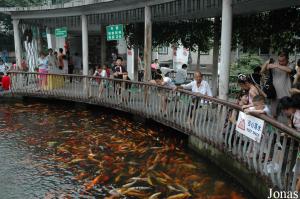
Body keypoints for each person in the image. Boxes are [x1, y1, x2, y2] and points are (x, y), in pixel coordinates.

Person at [264, 51, 294, 118]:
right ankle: (274, 128)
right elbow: (263, 71)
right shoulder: (274, 64)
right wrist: (267, 65)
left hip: (286, 95)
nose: (280, 62)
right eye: (279, 60)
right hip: (274, 94)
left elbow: (290, 70)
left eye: (283, 61)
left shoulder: (290, 64)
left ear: (287, 59)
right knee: (274, 114)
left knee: (289, 115)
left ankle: (288, 127)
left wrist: (277, 65)